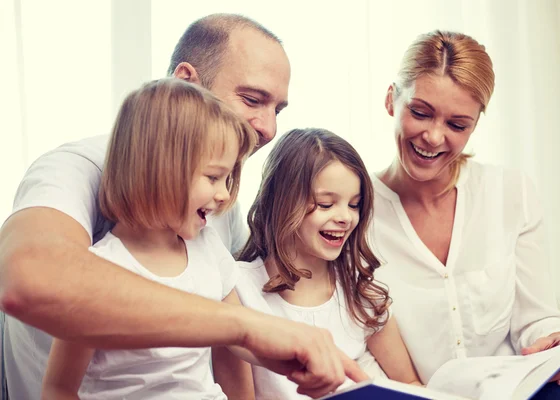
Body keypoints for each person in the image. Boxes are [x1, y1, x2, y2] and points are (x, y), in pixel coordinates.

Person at [0, 14, 366, 400]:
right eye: (252, 99)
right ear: (184, 84)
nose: (270, 129)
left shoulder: (214, 208)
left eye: (278, 110)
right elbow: (27, 280)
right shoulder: (74, 169)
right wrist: (245, 326)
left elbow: (230, 329)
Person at [367, 30, 560, 399]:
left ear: (475, 124)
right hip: (417, 395)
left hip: (512, 392)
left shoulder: (510, 192)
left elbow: (536, 317)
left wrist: (553, 342)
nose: (434, 137)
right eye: (421, 113)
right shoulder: (353, 211)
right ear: (392, 99)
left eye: (457, 125)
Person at [42, 78, 259, 399]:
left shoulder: (208, 246)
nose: (224, 194)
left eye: (227, 178)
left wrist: (302, 353)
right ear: (160, 169)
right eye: (214, 177)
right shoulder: (99, 273)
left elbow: (246, 336)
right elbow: (58, 388)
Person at [215, 128, 422, 399]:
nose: (345, 218)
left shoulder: (361, 296)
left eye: (354, 205)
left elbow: (410, 384)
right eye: (326, 204)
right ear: (282, 203)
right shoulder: (237, 291)